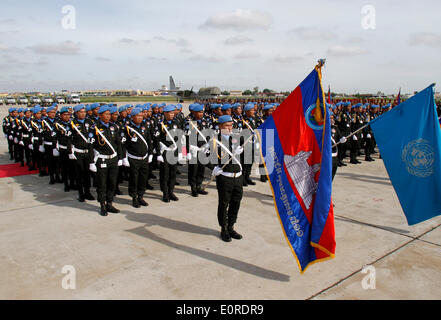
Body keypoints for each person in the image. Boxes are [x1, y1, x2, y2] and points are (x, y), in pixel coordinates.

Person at [211, 115, 244, 242]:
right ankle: (224, 229)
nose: (230, 128)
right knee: (224, 204)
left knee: (236, 202)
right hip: (225, 178)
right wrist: (214, 168)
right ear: (220, 126)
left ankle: (231, 226)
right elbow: (205, 156)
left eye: (231, 125)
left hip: (238, 177)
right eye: (227, 126)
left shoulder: (236, 138)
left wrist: (242, 150)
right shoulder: (215, 141)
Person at [88, 105, 124, 216]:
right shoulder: (94, 128)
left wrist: (120, 158)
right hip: (102, 160)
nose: (108, 117)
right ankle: (102, 205)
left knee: (112, 182)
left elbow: (118, 143)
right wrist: (91, 162)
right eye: (106, 114)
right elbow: (90, 146)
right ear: (100, 115)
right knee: (102, 184)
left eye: (109, 114)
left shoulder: (114, 127)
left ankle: (109, 203)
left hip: (113, 159)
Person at [120, 107, 153, 208]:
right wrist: (124, 158)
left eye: (141, 115)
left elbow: (149, 141)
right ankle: (134, 197)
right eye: (137, 116)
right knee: (134, 179)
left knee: (143, 178)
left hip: (144, 158)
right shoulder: (127, 129)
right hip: (133, 158)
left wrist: (150, 154)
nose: (140, 117)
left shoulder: (144, 127)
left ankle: (141, 196)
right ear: (132, 117)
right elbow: (123, 145)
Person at [67, 104, 95, 202]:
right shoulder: (72, 124)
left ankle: (87, 192)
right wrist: (70, 151)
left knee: (87, 174)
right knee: (79, 174)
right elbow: (68, 139)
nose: (83, 114)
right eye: (81, 112)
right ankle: (81, 193)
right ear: (76, 113)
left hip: (88, 152)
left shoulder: (90, 122)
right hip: (78, 153)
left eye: (84, 112)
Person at [156, 104, 181, 203]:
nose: (172, 114)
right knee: (164, 174)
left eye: (172, 112)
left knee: (173, 173)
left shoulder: (177, 123)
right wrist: (158, 154)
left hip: (174, 151)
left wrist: (181, 152)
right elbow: (156, 140)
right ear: (165, 113)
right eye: (169, 113)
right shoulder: (160, 124)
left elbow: (180, 138)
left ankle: (171, 191)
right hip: (165, 152)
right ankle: (165, 193)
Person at [185, 103, 211, 197]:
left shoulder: (205, 121)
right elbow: (186, 139)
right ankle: (193, 188)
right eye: (199, 112)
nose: (201, 114)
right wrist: (187, 152)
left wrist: (208, 147)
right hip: (193, 150)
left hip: (203, 149)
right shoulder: (190, 123)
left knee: (201, 169)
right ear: (194, 112)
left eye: (202, 112)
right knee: (194, 170)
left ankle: (199, 186)